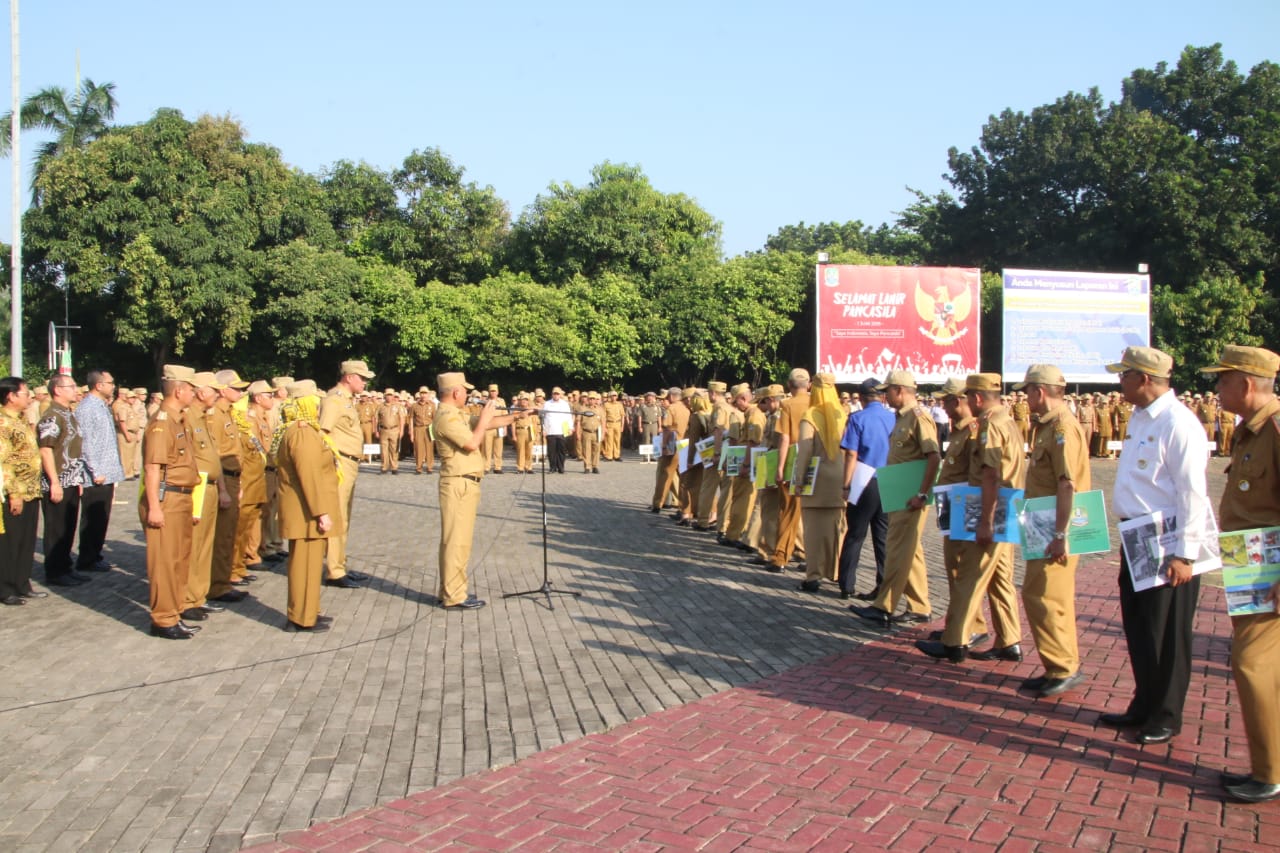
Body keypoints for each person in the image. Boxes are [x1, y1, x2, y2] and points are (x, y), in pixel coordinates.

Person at [1102, 346, 1210, 745]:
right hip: (1137, 536)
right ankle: (1144, 702)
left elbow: (1193, 493)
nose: (1120, 381)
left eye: (1124, 374)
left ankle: (1166, 713)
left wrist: (1186, 554)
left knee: (1167, 633)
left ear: (1144, 378)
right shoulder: (1140, 417)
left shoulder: (1179, 423)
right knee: (1140, 626)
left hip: (1168, 542)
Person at [1202, 345, 1280, 803]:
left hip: (1270, 571)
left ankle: (1268, 772)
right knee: (1262, 667)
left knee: (1251, 664)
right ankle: (1266, 765)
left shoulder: (1273, 429)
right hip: (1250, 563)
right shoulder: (1251, 430)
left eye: (1223, 380)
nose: (1218, 388)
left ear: (1247, 384)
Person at [917, 374, 1023, 662]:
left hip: (987, 506)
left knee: (969, 576)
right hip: (1001, 505)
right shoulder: (1006, 421)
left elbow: (989, 474)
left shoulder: (988, 425)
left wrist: (984, 521)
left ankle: (956, 640)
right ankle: (1009, 639)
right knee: (1000, 579)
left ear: (974, 398)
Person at [1015, 364, 1091, 698]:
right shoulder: (1048, 425)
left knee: (1044, 596)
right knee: (1045, 596)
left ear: (1039, 391)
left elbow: (1067, 482)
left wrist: (1061, 535)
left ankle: (1063, 667)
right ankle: (1057, 665)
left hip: (1055, 528)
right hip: (1043, 522)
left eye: (1028, 390)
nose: (1025, 397)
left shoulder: (1062, 427)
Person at [851, 369, 940, 626]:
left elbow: (933, 456)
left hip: (911, 496)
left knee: (897, 551)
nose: (884, 396)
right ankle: (920, 606)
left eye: (887, 391)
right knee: (911, 553)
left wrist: (922, 494)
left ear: (900, 390)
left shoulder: (918, 417)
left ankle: (884, 606)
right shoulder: (902, 417)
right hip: (900, 493)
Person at [434, 371, 516, 609]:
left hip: (466, 482)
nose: (469, 394)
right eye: (466, 391)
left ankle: (451, 589)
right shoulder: (446, 417)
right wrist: (484, 416)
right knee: (455, 542)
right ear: (456, 392)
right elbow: (472, 442)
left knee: (459, 541)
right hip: (458, 483)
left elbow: (486, 425)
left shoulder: (456, 414)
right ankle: (453, 595)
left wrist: (517, 417)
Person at [275, 380, 341, 632]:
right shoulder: (302, 433)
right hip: (306, 512)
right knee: (305, 565)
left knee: (311, 565)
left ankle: (309, 610)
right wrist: (321, 512)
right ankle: (301, 617)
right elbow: (309, 475)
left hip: (305, 509)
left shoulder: (298, 429)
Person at [141, 366, 201, 639]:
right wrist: (154, 507)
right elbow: (152, 468)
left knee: (178, 560)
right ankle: (163, 620)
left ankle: (174, 613)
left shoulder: (179, 420)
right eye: (191, 389)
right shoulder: (162, 423)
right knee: (165, 562)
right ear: (179, 390)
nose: (194, 394)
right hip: (168, 498)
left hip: (182, 497)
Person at [318, 360, 376, 587]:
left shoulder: (347, 401)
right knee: (337, 515)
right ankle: (334, 571)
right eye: (362, 378)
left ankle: (339, 563)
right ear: (349, 377)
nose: (365, 382)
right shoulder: (334, 401)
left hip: (349, 463)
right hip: (339, 462)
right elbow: (323, 434)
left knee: (344, 516)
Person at [837, 378, 893, 601]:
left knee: (855, 534)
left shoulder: (857, 418)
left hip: (864, 481)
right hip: (889, 479)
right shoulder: (893, 418)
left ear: (860, 398)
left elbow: (851, 453)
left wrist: (846, 484)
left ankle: (847, 584)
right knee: (883, 536)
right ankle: (884, 585)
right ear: (882, 397)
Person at [37, 376, 94, 587]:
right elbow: (46, 450)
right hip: (58, 480)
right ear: (58, 390)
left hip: (71, 479)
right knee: (56, 528)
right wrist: (54, 481)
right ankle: (54, 571)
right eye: (71, 386)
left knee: (69, 525)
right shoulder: (51, 416)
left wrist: (77, 478)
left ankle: (65, 567)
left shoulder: (68, 414)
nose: (75, 390)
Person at [794, 373, 848, 592]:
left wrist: (798, 480)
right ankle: (835, 571)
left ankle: (814, 575)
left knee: (814, 530)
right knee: (838, 528)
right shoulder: (843, 414)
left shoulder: (811, 415)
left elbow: (805, 451)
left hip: (816, 479)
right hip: (842, 477)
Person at [75, 370, 126, 574]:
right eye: (110, 382)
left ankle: (95, 555)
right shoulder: (88, 408)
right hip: (96, 474)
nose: (113, 386)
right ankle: (86, 558)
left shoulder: (101, 405)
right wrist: (95, 470)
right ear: (99, 385)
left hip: (107, 471)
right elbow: (85, 443)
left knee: (101, 517)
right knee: (93, 517)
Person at [0, 377, 46, 605]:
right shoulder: (3, 423)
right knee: (11, 541)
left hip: (31, 490)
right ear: (11, 396)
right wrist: (14, 494)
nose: (29, 397)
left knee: (27, 540)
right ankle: (6, 587)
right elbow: (5, 461)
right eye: (25, 393)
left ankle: (22, 582)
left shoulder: (20, 420)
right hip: (15, 492)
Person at [769, 369, 811, 570]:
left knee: (787, 511)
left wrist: (780, 467)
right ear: (809, 385)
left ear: (789, 385)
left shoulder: (787, 405)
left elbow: (784, 437)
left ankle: (780, 556)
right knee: (809, 514)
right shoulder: (818, 403)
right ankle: (810, 556)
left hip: (793, 462)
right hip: (815, 462)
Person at [541, 387, 573, 474]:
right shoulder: (547, 404)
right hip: (550, 430)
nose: (556, 395)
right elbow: (543, 418)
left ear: (560, 395)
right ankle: (552, 467)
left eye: (557, 394)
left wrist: (570, 428)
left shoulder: (565, 404)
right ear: (552, 394)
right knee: (551, 451)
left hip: (562, 430)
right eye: (554, 393)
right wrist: (543, 429)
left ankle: (561, 467)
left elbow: (569, 417)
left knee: (562, 450)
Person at [410, 387, 436, 474]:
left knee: (430, 448)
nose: (423, 395)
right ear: (419, 394)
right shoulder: (414, 406)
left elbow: (435, 418)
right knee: (418, 448)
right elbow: (411, 419)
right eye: (422, 393)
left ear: (428, 394)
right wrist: (411, 432)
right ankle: (419, 467)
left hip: (429, 427)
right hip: (418, 428)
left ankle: (429, 467)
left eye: (425, 393)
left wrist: (435, 431)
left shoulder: (432, 405)